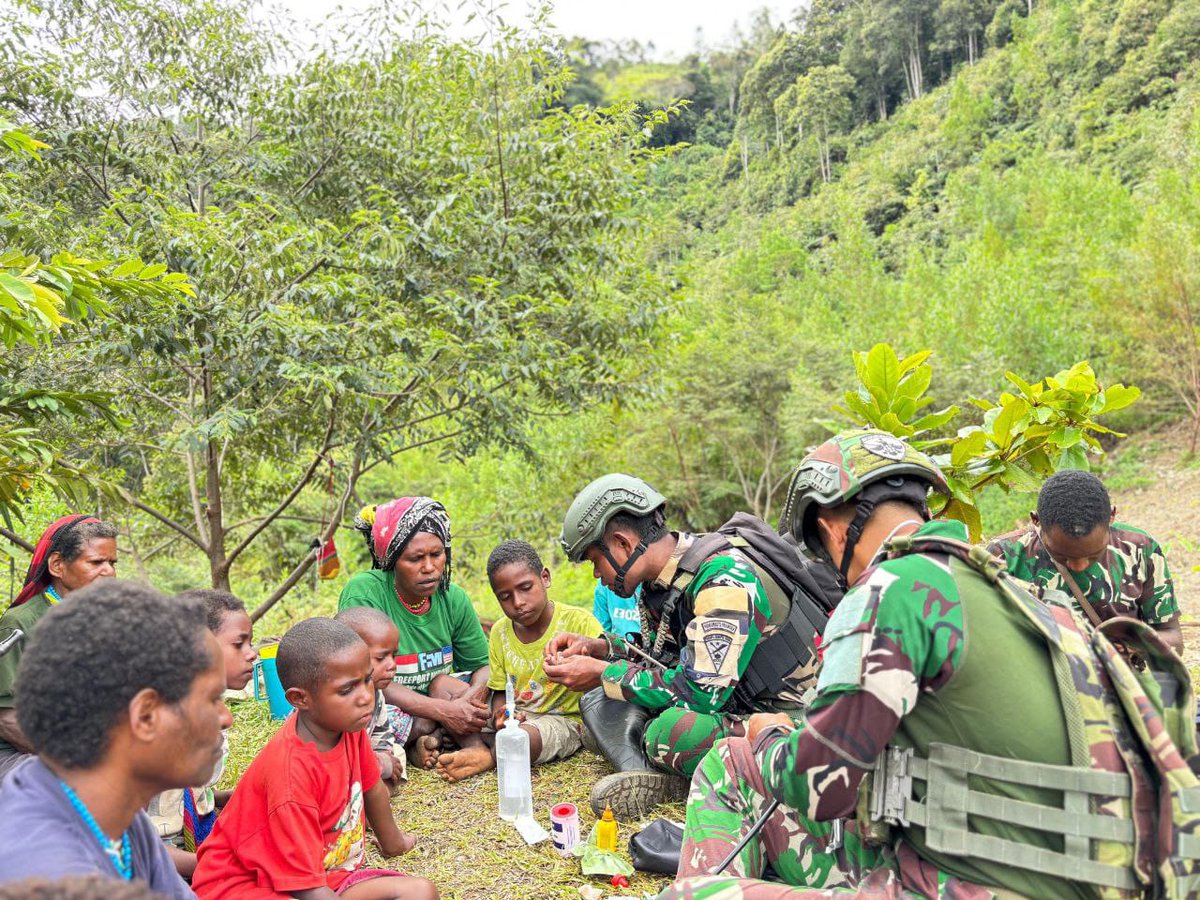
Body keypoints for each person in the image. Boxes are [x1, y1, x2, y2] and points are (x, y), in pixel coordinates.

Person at [661, 429, 1199, 899]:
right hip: (1090, 875)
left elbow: (823, 785)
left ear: (831, 529)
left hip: (974, 883)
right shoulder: (1029, 602)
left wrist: (767, 736)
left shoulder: (893, 587)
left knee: (695, 877)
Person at [544, 474, 779, 818]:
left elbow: (701, 693)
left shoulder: (723, 580)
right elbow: (663, 659)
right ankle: (671, 766)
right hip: (731, 704)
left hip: (778, 718)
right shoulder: (668, 579)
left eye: (595, 560)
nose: (596, 575)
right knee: (606, 708)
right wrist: (601, 649)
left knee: (670, 735)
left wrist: (605, 673)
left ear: (623, 544)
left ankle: (681, 782)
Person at [0, 581, 230, 895]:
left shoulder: (111, 810)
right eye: (212, 699)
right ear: (145, 716)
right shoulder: (50, 877)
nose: (225, 718)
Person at [191, 617, 436, 900]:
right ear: (300, 699)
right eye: (347, 689)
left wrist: (395, 844)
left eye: (367, 679)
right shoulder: (291, 776)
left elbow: (372, 789)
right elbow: (306, 888)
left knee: (421, 891)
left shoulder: (346, 725)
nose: (365, 697)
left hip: (323, 876)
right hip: (241, 886)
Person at [338, 497, 490, 772]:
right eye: (415, 558)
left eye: (437, 554)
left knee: (457, 686)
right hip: (390, 704)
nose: (429, 567)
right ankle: (423, 736)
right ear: (392, 560)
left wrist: (469, 702)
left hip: (440, 697)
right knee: (357, 715)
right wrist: (442, 712)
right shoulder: (365, 593)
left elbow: (482, 666)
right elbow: (362, 677)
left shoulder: (453, 598)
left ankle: (470, 748)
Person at [435, 540, 603, 782]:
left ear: (545, 577)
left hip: (560, 720)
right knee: (441, 686)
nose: (518, 602)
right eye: (505, 597)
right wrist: (502, 714)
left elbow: (602, 674)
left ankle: (488, 755)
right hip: (516, 715)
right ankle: (480, 747)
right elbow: (499, 690)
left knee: (521, 741)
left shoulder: (579, 623)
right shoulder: (500, 632)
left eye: (525, 588)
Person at [987, 468, 1182, 654]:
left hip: (1119, 675)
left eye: (1093, 555)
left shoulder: (1140, 548)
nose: (1078, 567)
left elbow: (1173, 637)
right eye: (1062, 556)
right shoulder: (1002, 557)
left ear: (1111, 516)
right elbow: (990, 641)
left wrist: (1121, 649)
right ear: (1036, 520)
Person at [151, 590, 259, 879]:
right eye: (239, 644)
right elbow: (140, 846)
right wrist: (219, 868)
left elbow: (183, 796)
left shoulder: (201, 709)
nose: (252, 653)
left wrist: (226, 798)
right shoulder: (158, 734)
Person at [0, 516, 118, 778]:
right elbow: (6, 720)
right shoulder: (20, 624)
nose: (109, 571)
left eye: (112, 563)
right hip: (19, 756)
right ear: (57, 565)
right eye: (96, 562)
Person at [336, 606, 411, 793]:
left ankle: (376, 792)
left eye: (394, 656)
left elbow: (381, 733)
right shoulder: (335, 700)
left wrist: (383, 756)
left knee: (397, 752)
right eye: (380, 658)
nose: (392, 665)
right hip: (338, 766)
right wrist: (382, 764)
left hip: (367, 759)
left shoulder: (376, 693)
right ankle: (372, 794)